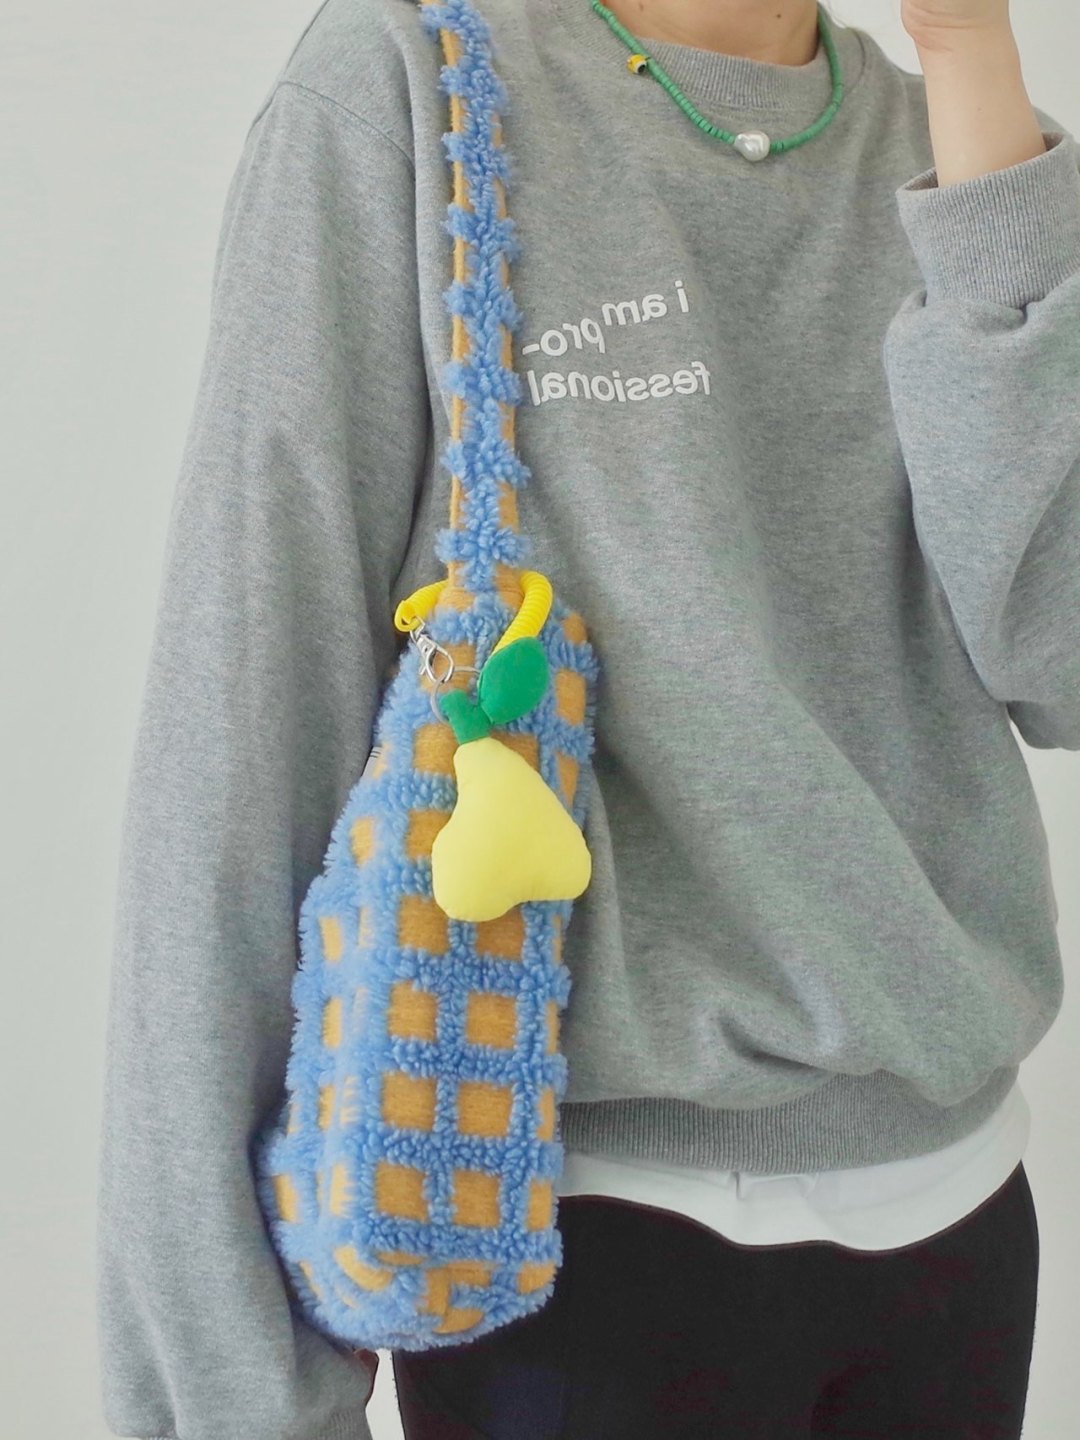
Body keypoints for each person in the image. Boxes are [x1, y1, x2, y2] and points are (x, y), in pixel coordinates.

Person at [97, 0, 1077, 1436]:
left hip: (955, 1222)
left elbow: (1056, 661)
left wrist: (974, 66)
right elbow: (243, 736)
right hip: (563, 1247)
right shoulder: (409, 84)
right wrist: (227, 1398)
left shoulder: (951, 147)